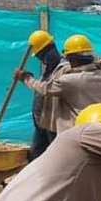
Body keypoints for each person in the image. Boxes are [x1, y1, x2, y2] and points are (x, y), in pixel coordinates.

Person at [16, 34, 101, 134]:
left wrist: (26, 78)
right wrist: (98, 58)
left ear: (71, 60)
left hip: (78, 131)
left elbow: (44, 88)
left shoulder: (69, 80)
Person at [24, 30, 65, 162]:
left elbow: (47, 89)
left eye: (41, 55)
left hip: (54, 124)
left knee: (55, 159)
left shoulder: (64, 69)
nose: (42, 59)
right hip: (41, 122)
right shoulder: (48, 69)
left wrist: (27, 79)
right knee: (36, 156)